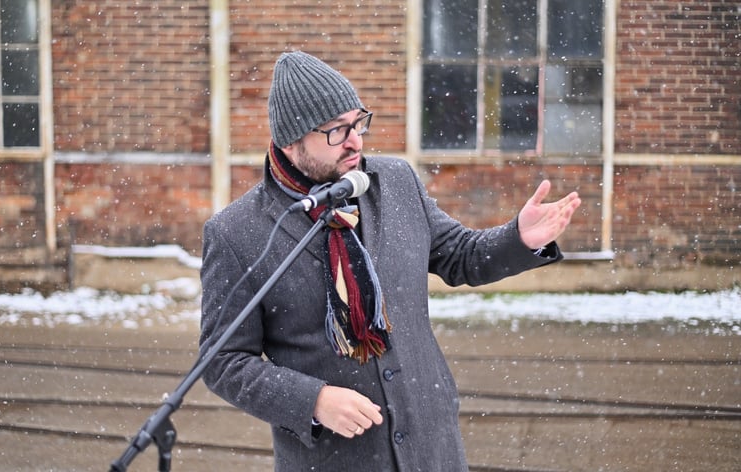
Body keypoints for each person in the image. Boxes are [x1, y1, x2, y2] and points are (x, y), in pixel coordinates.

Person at [198, 51, 581, 471]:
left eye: (358, 122)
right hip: (334, 459)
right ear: (291, 141)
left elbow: (460, 256)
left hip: (431, 449)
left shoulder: (395, 182)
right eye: (336, 131)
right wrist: (314, 401)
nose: (355, 141)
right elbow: (224, 361)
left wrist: (519, 238)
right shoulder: (237, 233)